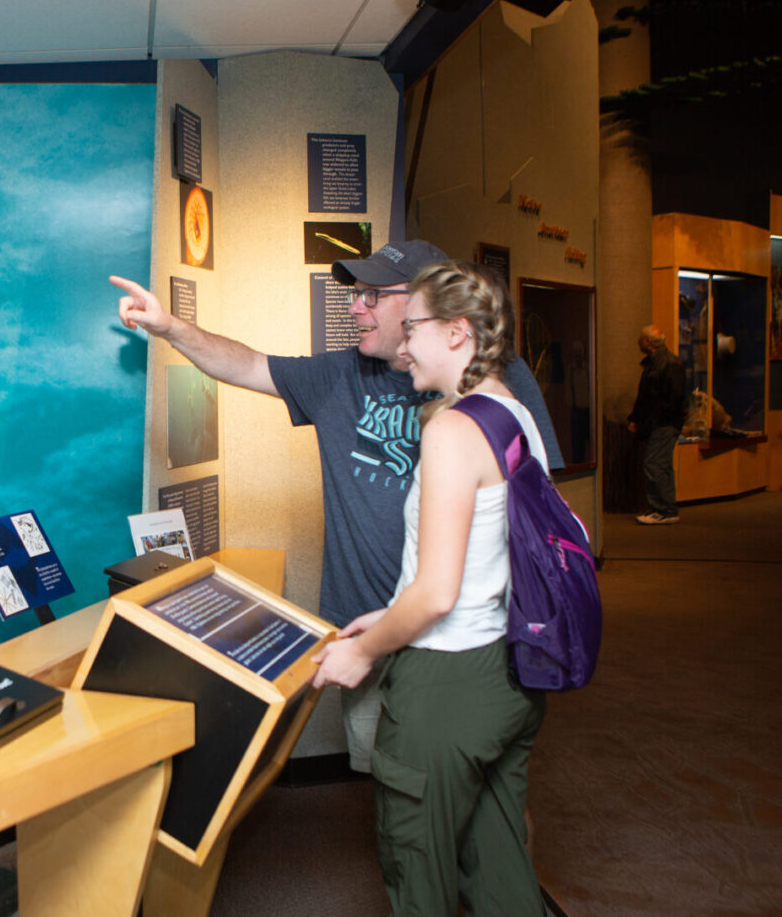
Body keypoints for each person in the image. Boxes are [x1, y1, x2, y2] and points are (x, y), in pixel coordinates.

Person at [112, 240, 561, 772]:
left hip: (466, 639)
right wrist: (170, 327)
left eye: (372, 295)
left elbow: (539, 507)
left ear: (427, 305)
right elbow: (246, 364)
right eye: (354, 294)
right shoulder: (339, 377)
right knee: (396, 791)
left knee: (486, 796)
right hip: (365, 624)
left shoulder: (496, 386)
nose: (354, 308)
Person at [310, 260, 554, 917]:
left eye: (410, 330)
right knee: (500, 857)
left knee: (415, 861)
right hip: (506, 676)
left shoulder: (451, 430)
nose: (400, 347)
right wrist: (386, 615)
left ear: (456, 332)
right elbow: (484, 568)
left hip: (445, 686)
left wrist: (363, 649)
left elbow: (440, 591)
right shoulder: (511, 413)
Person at [627, 324, 686, 525]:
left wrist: (651, 419)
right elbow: (647, 396)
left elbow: (670, 398)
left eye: (640, 340)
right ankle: (668, 508)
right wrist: (636, 417)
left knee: (654, 464)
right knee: (662, 465)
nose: (638, 344)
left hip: (664, 423)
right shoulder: (660, 362)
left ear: (647, 342)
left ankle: (662, 509)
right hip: (662, 422)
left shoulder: (665, 364)